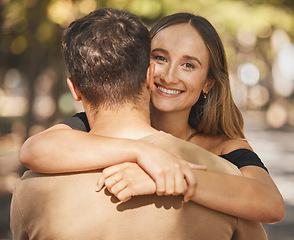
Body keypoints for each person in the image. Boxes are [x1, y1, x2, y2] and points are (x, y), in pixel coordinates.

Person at [11, 8, 268, 240]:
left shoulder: (226, 153)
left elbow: (269, 202)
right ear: (144, 67)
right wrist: (144, 152)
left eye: (188, 65)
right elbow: (33, 150)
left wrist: (169, 178)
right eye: (160, 58)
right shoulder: (84, 129)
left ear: (208, 83)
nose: (169, 76)